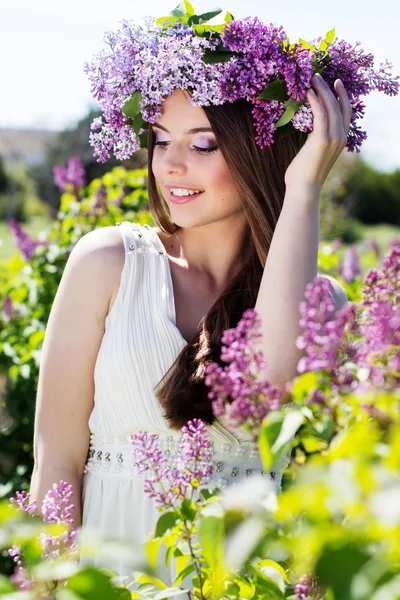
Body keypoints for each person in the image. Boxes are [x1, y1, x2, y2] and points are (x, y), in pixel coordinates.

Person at [29, 12, 351, 587]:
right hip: (111, 586)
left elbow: (273, 383)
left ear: (263, 156)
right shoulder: (108, 263)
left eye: (203, 144)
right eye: (160, 141)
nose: (170, 165)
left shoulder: (323, 301)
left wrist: (302, 191)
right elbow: (56, 466)